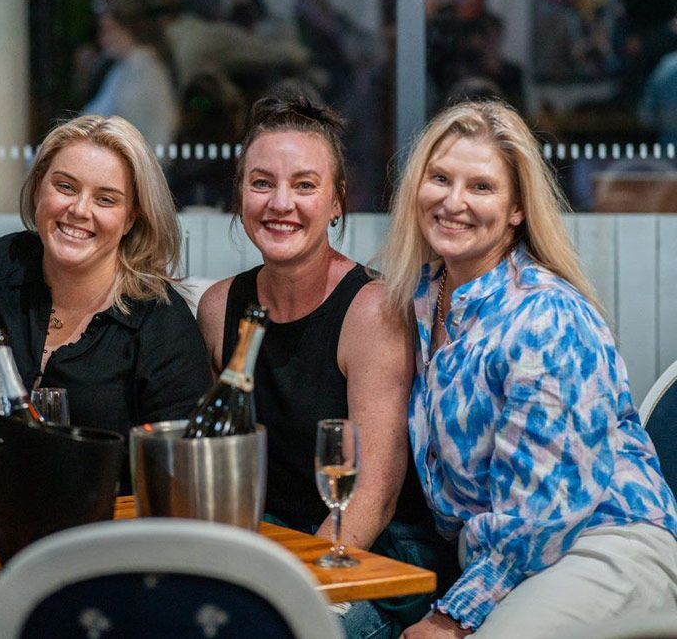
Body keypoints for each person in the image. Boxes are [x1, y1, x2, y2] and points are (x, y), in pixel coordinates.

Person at [378, 100, 677, 638]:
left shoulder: (546, 318)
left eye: (481, 187)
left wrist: (451, 617)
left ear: (517, 209)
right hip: (505, 558)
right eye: (440, 178)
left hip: (603, 543)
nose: (453, 201)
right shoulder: (421, 298)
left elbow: (544, 514)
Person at [196, 94, 455, 638]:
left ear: (337, 202)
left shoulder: (372, 310)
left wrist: (290, 594)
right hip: (272, 543)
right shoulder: (219, 308)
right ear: (240, 195)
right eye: (261, 183)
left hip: (369, 557)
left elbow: (373, 499)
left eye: (305, 185)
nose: (280, 203)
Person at [0, 114, 212, 493]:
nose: (80, 210)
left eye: (106, 199)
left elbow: (182, 474)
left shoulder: (162, 323)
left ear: (131, 218)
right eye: (65, 187)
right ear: (38, 188)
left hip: (113, 523)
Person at [81, 0, 178, 149]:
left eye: (106, 29)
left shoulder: (144, 73)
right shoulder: (123, 70)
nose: (101, 38)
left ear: (123, 27)